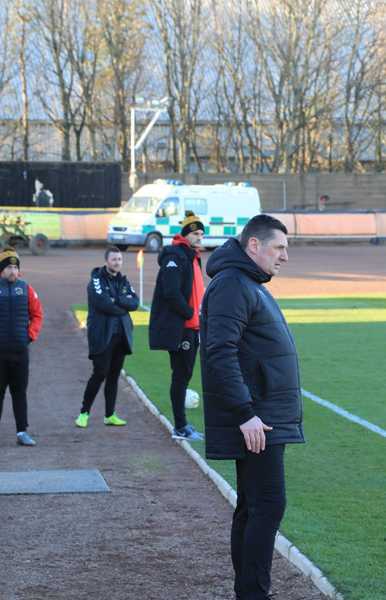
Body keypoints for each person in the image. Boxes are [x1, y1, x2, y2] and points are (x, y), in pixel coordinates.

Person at [200, 215, 304, 600]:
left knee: (253, 507)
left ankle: (248, 591)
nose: (285, 257)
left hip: (263, 414)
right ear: (254, 246)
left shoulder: (248, 282)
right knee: (268, 506)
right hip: (259, 417)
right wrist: (246, 414)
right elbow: (219, 353)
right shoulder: (233, 283)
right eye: (279, 248)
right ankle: (253, 593)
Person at [0, 246, 43, 448]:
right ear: (1, 269)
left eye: (15, 267)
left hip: (20, 351)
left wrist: (30, 335)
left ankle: (22, 432)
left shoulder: (27, 289)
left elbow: (37, 315)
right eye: (9, 267)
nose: (12, 271)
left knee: (20, 392)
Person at [149, 210, 205, 441]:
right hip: (182, 327)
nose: (200, 237)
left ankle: (183, 426)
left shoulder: (193, 256)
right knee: (180, 376)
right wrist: (190, 312)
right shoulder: (175, 257)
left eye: (202, 233)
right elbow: (171, 291)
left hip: (194, 327)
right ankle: (180, 427)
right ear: (186, 234)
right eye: (196, 233)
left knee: (186, 375)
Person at [76, 247, 139, 427]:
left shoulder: (124, 281)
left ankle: (109, 414)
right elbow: (103, 304)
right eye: (113, 259)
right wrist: (122, 304)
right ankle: (84, 413)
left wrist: (116, 300)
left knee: (114, 375)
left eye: (119, 259)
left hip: (121, 336)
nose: (117, 262)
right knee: (100, 373)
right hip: (102, 335)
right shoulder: (96, 280)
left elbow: (134, 302)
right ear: (106, 261)